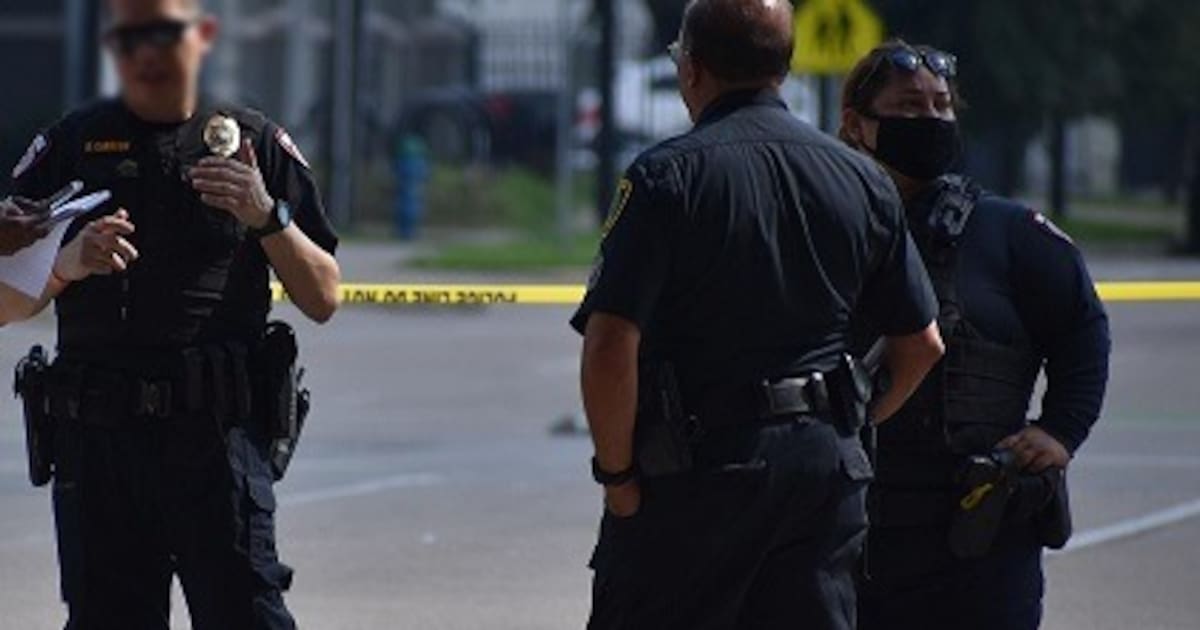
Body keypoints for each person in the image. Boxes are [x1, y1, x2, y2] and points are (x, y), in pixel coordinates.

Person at [572, 2, 945, 629]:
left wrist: (617, 477)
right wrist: (849, 419)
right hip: (822, 474)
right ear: (783, 67)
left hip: (699, 472)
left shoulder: (668, 177)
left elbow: (610, 347)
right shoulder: (862, 179)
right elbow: (922, 343)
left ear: (693, 69)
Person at [7, 0, 340, 627]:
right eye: (129, 39)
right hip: (99, 444)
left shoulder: (252, 143)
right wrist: (67, 263)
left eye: (163, 33)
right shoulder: (72, 146)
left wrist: (266, 216)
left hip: (215, 444)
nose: (146, 53)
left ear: (203, 35)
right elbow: (3, 304)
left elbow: (323, 296)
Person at [838, 40, 1111, 630]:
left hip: (980, 529)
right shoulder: (826, 229)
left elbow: (1083, 330)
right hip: (852, 529)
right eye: (909, 106)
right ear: (857, 125)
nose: (931, 119)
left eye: (941, 105)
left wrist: (1060, 430)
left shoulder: (1009, 232)